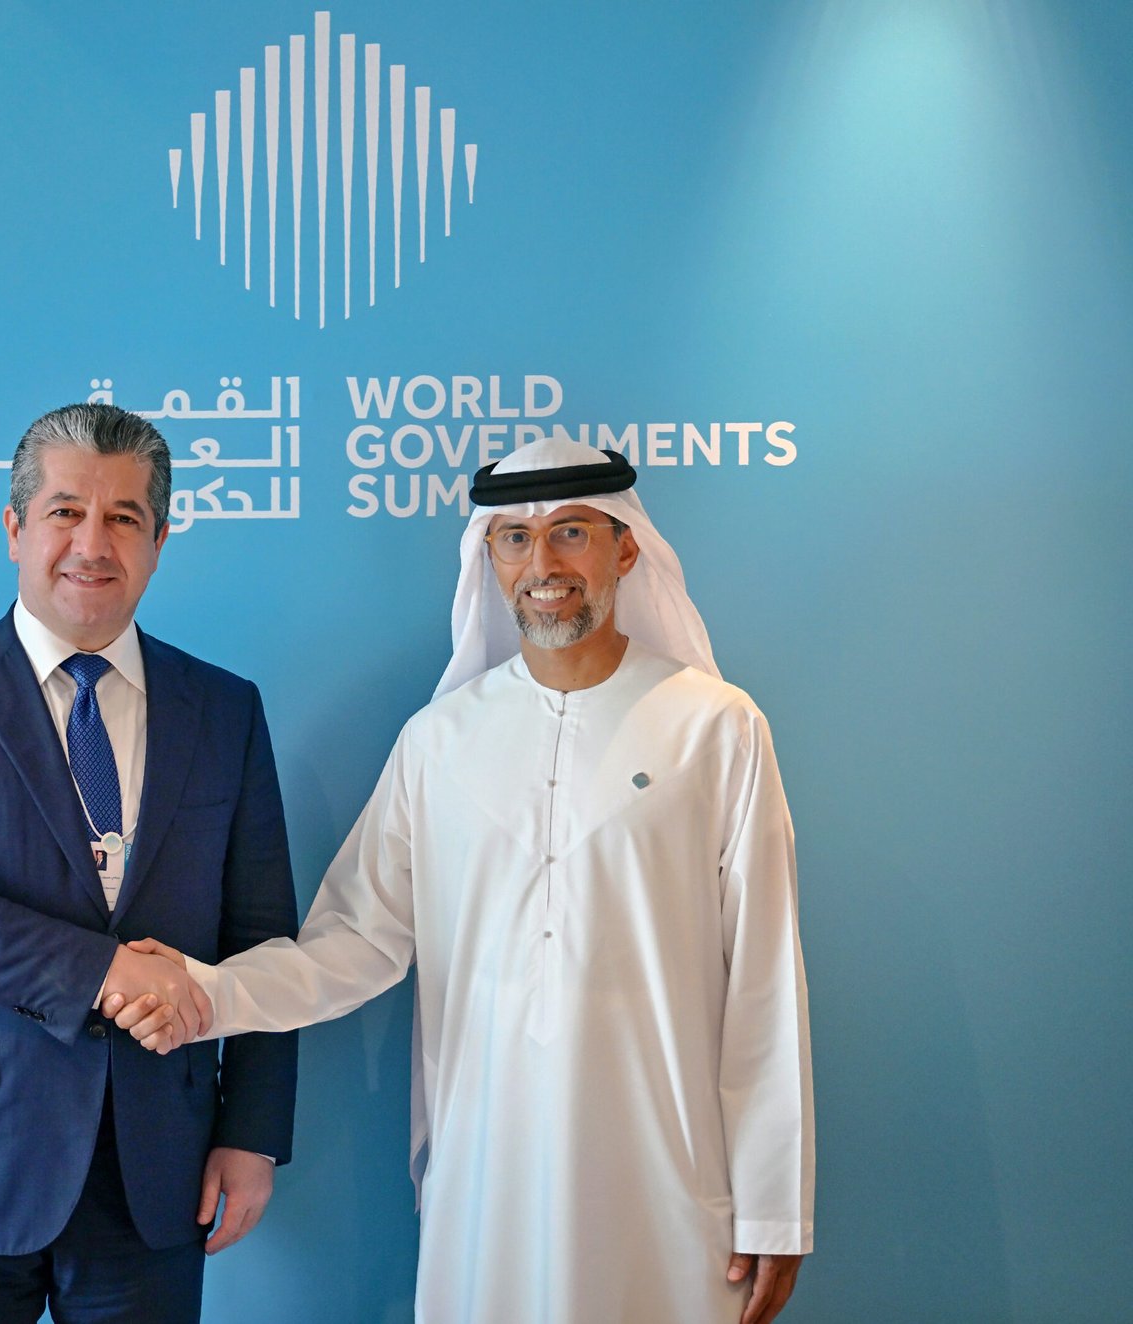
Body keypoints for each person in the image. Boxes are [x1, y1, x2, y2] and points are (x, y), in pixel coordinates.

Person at [112, 437, 814, 1324]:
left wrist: (774, 1207)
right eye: (515, 538)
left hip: (668, 1181)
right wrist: (206, 992)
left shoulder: (716, 729)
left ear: (627, 549)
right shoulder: (440, 742)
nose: (543, 563)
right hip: (489, 1183)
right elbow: (353, 944)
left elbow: (763, 983)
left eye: (571, 532)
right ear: (489, 558)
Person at [0, 403, 299, 1323]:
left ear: (159, 542)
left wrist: (251, 1133)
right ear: (15, 528)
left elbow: (263, 936)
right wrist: (104, 970)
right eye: (65, 512)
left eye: (124, 518)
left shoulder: (226, 710)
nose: (92, 544)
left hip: (156, 1165)